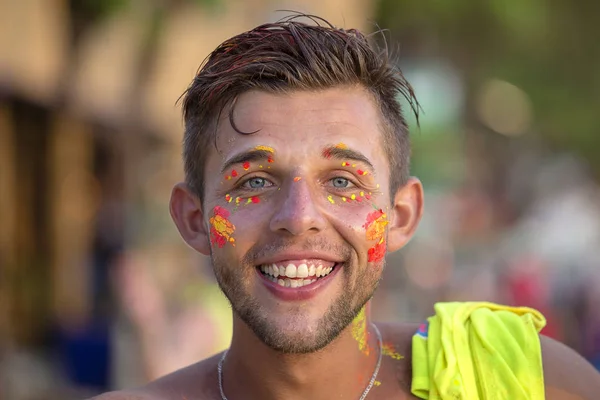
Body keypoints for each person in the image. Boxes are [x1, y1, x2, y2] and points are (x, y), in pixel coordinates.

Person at [94, 14, 600, 400]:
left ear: (402, 215)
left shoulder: (524, 380)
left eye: (341, 179)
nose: (298, 216)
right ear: (193, 218)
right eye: (253, 181)